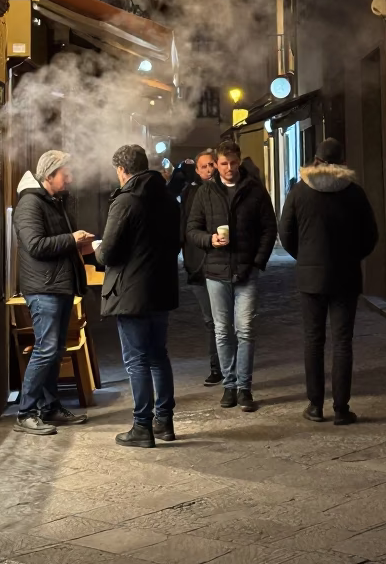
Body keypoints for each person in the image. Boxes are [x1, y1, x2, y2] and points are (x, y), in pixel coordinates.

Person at [280, 138, 378, 425]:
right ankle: (341, 408)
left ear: (316, 160)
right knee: (342, 342)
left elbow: (285, 233)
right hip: (346, 275)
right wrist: (352, 257)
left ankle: (314, 406)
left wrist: (305, 257)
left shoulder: (299, 192)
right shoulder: (355, 193)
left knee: (313, 341)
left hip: (311, 277)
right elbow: (370, 236)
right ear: (342, 162)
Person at [95, 144, 181, 448]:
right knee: (159, 355)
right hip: (162, 287)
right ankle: (165, 422)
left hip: (132, 292)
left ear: (121, 170)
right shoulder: (169, 199)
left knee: (136, 361)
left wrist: (95, 249)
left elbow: (108, 252)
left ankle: (142, 426)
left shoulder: (126, 201)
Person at [186, 140, 276, 412]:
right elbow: (191, 229)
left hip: (246, 271)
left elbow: (269, 229)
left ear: (239, 161)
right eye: (223, 164)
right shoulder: (206, 192)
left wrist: (258, 262)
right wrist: (209, 239)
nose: (228, 168)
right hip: (215, 271)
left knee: (246, 329)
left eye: (232, 163)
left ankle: (244, 387)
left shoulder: (255, 191)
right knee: (223, 331)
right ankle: (229, 384)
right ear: (217, 164)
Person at [12, 150, 96, 435]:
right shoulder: (30, 204)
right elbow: (36, 245)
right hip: (43, 288)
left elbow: (53, 243)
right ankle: (26, 412)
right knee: (46, 350)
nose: (70, 178)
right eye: (65, 173)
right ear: (49, 175)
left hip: (58, 286)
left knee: (54, 349)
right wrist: (71, 238)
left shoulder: (53, 201)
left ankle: (49, 408)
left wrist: (78, 245)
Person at [175, 151, 223, 386]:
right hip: (197, 265)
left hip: (221, 264)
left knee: (225, 319)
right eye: (203, 166)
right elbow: (184, 229)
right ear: (197, 170)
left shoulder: (225, 191)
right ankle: (217, 367)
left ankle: (227, 366)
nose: (208, 170)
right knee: (210, 319)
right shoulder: (189, 193)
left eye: (211, 165)